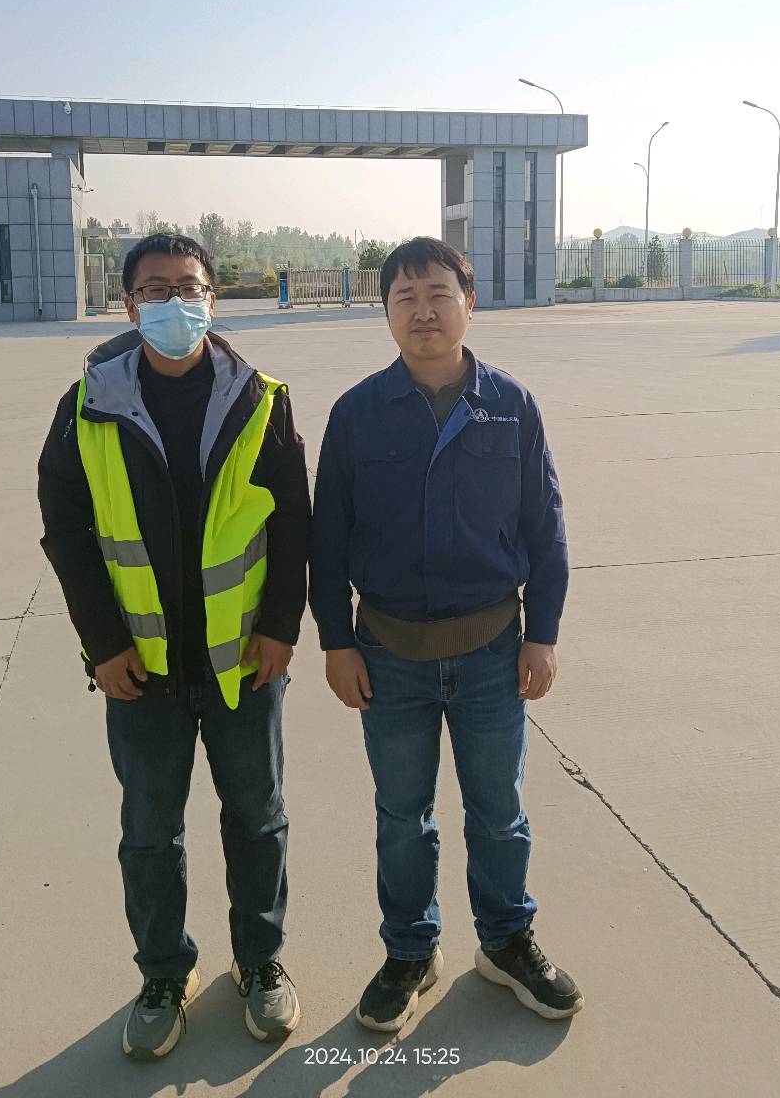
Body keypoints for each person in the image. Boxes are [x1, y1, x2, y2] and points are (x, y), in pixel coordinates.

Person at [38, 233, 310, 1060]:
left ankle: (259, 961)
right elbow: (67, 533)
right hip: (142, 671)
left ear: (212, 299)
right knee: (150, 834)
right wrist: (102, 645)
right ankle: (163, 972)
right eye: (155, 290)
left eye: (188, 287)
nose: (174, 302)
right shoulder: (86, 406)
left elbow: (294, 523)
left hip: (243, 663)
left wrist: (280, 627)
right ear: (129, 307)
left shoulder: (260, 399)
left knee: (257, 818)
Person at [310, 236, 583, 1033]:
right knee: (403, 816)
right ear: (386, 312)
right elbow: (328, 538)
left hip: (493, 652)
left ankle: (505, 941)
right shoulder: (357, 413)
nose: (423, 312)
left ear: (469, 301)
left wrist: (543, 633)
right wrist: (335, 640)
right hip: (388, 656)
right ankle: (410, 951)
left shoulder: (512, 404)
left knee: (499, 811)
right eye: (406, 298)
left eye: (438, 294)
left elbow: (545, 526)